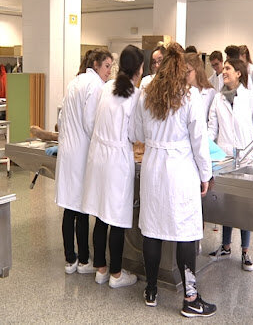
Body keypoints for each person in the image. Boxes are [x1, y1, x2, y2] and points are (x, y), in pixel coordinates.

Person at [134, 42, 216, 317]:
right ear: (181, 69)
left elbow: (138, 132)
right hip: (180, 169)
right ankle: (190, 298)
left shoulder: (145, 95)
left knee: (153, 230)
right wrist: (206, 174)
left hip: (154, 166)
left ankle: (151, 290)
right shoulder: (190, 97)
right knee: (185, 233)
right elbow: (199, 141)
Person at [82, 45, 143, 288]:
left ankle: (101, 269)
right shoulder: (135, 95)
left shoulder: (106, 87)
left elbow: (91, 120)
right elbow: (135, 133)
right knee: (115, 216)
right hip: (117, 158)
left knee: (100, 214)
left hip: (98, 156)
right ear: (139, 69)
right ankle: (117, 274)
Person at [207, 58, 253, 272]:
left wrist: (249, 154)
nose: (223, 72)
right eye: (223, 68)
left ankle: (245, 251)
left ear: (239, 73)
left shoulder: (251, 98)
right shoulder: (218, 98)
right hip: (223, 160)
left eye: (227, 68)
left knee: (244, 207)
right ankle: (225, 247)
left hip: (246, 160)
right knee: (225, 205)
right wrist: (206, 150)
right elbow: (211, 130)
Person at [55, 48, 113, 274]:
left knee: (70, 208)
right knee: (81, 208)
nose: (109, 71)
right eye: (107, 66)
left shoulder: (74, 82)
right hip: (81, 153)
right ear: (96, 64)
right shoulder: (95, 85)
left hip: (68, 151)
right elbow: (91, 122)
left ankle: (70, 259)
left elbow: (62, 117)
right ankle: (85, 261)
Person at [185, 52, 217, 122]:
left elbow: (212, 122)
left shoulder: (210, 93)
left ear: (197, 70)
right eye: (183, 72)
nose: (185, 75)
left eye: (188, 71)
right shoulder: (183, 92)